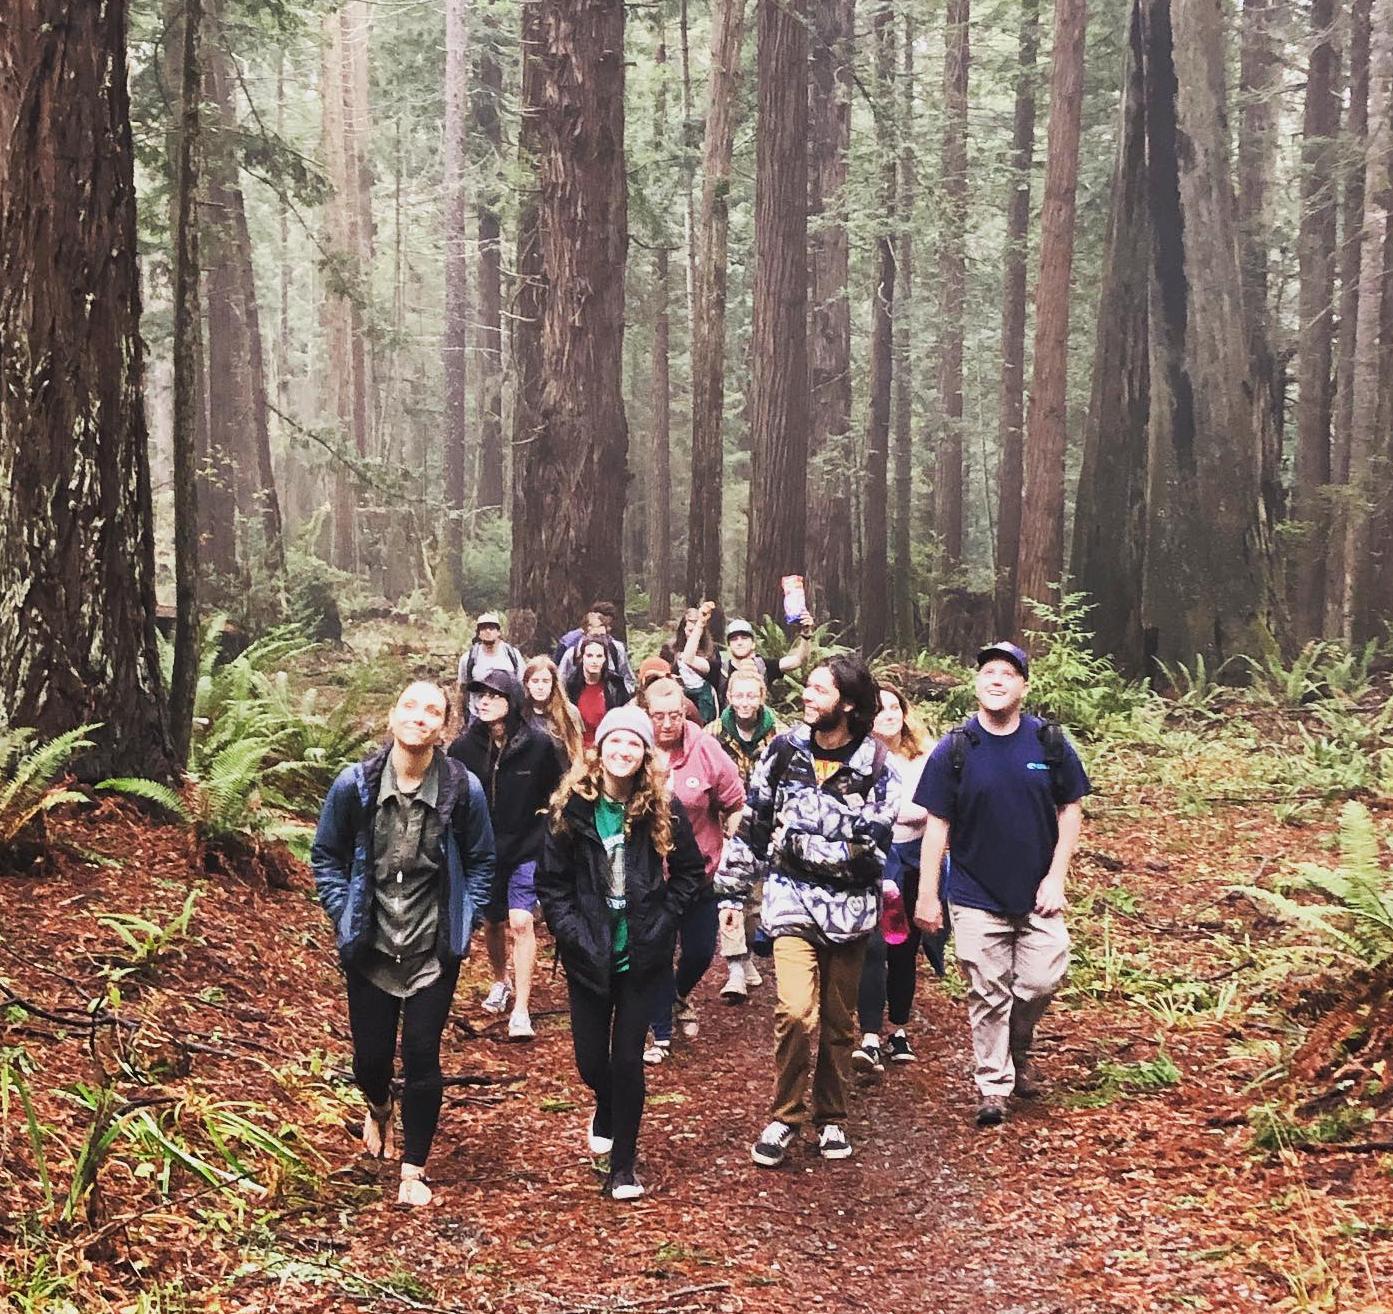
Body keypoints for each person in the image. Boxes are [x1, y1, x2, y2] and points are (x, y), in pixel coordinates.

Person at [311, 681, 495, 1206]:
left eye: (433, 710)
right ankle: (377, 1107)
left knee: (421, 1055)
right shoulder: (356, 785)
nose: (420, 717)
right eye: (410, 707)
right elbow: (326, 855)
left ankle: (413, 1168)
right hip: (370, 944)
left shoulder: (464, 789)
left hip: (431, 948)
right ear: (392, 717)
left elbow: (483, 860)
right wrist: (343, 912)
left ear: (445, 727)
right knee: (369, 1061)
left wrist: (465, 918)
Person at [716, 654, 899, 1167]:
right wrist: (731, 894)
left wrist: (794, 847)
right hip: (791, 904)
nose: (807, 696)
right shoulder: (784, 752)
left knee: (841, 1023)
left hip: (851, 915)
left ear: (847, 702)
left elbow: (872, 852)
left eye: (819, 689)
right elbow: (753, 825)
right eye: (809, 687)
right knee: (795, 1011)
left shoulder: (878, 767)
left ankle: (833, 1118)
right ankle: (785, 1116)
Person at [912, 641, 1090, 1127]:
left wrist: (1057, 877)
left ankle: (1017, 1046)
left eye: (1007, 674)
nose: (996, 680)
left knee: (1039, 982)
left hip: (1037, 893)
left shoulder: (1048, 743)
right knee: (988, 991)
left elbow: (1070, 807)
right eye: (988, 671)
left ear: (1023, 686)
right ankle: (994, 1086)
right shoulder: (955, 749)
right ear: (976, 684)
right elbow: (937, 825)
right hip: (974, 894)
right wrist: (929, 895)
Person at [536, 706, 707, 1201]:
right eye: (616, 742)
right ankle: (606, 1104)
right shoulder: (571, 807)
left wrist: (661, 922)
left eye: (634, 744)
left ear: (645, 753)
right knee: (592, 1062)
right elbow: (552, 882)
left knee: (627, 1059)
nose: (624, 751)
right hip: (588, 952)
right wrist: (570, 933)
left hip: (642, 955)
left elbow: (691, 873)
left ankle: (624, 1166)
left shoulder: (661, 809)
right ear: (599, 747)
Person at [448, 669, 565, 1039]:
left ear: (513, 701)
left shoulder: (540, 744)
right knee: (493, 922)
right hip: (482, 850)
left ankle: (521, 1011)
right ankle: (501, 980)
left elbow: (559, 792)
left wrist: (550, 833)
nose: (483, 701)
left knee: (521, 921)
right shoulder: (462, 748)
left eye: (494, 696)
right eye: (479, 695)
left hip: (528, 846)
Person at [638, 678, 745, 1062]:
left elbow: (734, 801)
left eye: (674, 715)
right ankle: (661, 1033)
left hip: (699, 870)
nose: (667, 724)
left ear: (685, 714)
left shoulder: (705, 748)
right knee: (658, 950)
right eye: (658, 716)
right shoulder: (634, 747)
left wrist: (733, 831)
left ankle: (677, 994)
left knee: (700, 950)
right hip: (649, 877)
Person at [853, 684, 932, 1076]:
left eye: (893, 707)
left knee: (905, 947)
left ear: (904, 712)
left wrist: (893, 811)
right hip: (873, 861)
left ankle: (898, 1028)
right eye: (879, 708)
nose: (886, 714)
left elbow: (931, 808)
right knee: (873, 946)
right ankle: (869, 1034)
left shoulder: (924, 758)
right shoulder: (859, 757)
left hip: (915, 861)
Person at [705, 668, 781, 1001]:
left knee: (756, 903)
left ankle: (747, 954)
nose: (745, 702)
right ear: (729, 697)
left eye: (751, 696)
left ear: (761, 697)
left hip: (765, 828)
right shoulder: (714, 733)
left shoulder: (779, 735)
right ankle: (735, 968)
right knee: (728, 897)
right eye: (739, 695)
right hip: (725, 825)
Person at [565, 636, 631, 748]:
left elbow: (625, 720)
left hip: (608, 748)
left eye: (599, 656)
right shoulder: (570, 686)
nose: (594, 661)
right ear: (582, 658)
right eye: (590, 656)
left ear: (605, 659)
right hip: (578, 749)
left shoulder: (615, 684)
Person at [557, 605, 637, 695]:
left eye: (603, 635)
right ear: (584, 633)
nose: (599, 640)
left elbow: (629, 679)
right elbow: (560, 682)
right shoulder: (572, 654)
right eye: (594, 635)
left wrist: (621, 698)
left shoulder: (616, 649)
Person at [662, 603, 722, 724]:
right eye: (689, 630)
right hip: (680, 696)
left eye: (696, 631)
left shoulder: (712, 651)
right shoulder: (670, 649)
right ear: (683, 629)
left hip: (705, 698)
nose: (692, 634)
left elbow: (715, 677)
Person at [458, 612, 524, 720]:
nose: (488, 631)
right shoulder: (468, 658)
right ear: (478, 633)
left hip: (508, 715)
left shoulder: (512, 655)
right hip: (477, 715)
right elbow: (462, 689)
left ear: (498, 632)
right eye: (483, 628)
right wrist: (460, 716)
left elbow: (521, 684)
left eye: (491, 628)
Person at [719, 614, 814, 686]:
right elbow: (703, 665)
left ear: (753, 644)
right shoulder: (719, 670)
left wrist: (806, 636)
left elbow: (797, 661)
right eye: (734, 639)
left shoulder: (764, 667)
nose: (739, 642)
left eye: (744, 638)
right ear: (729, 646)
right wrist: (702, 624)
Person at [522, 654, 583, 765]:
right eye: (535, 681)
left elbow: (578, 753)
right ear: (527, 683)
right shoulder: (520, 712)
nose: (540, 687)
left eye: (545, 681)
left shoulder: (568, 712)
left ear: (553, 683)